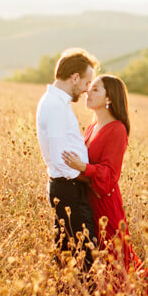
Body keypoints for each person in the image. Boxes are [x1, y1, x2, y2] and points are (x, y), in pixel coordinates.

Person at [62, 75, 148, 296]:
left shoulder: (117, 129)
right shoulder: (93, 126)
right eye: (88, 89)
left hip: (105, 205)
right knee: (94, 261)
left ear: (109, 97)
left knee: (116, 262)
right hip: (86, 201)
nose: (87, 93)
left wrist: (84, 167)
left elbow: (111, 176)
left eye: (95, 90)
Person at [35, 48, 98, 280]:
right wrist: (85, 173)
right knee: (83, 260)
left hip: (66, 186)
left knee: (69, 255)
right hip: (69, 187)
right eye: (86, 82)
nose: (86, 89)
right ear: (74, 77)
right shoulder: (55, 105)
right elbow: (61, 157)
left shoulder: (56, 102)